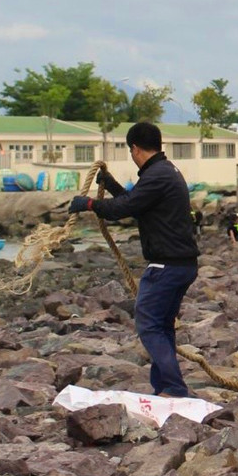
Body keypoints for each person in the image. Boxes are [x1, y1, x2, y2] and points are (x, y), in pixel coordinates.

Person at [69, 121, 199, 398]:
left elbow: (124, 209)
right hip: (181, 264)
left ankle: (175, 390)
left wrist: (90, 204)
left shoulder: (157, 175)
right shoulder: (164, 172)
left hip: (167, 266)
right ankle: (164, 387)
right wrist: (113, 185)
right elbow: (139, 204)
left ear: (135, 148)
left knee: (149, 325)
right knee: (162, 327)